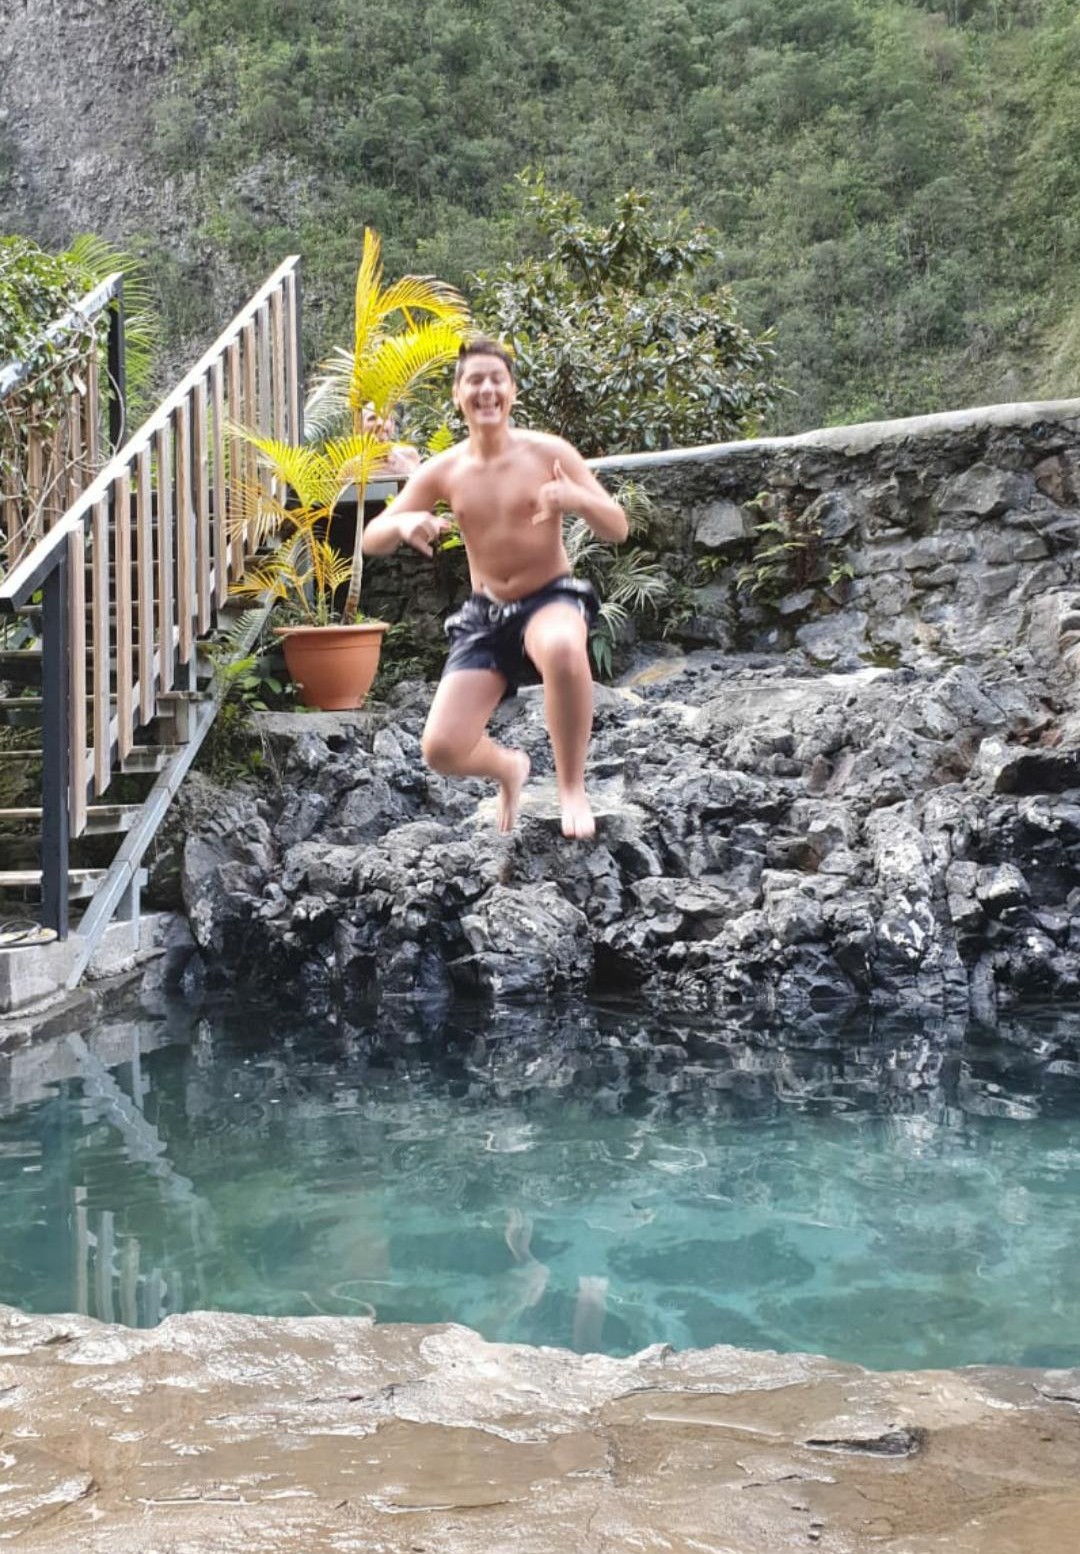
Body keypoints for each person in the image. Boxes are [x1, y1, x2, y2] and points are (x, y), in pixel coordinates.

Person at [361, 338, 628, 839]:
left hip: (549, 598)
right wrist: (401, 523)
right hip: (487, 612)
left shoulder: (549, 452)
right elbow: (370, 539)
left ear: (512, 390)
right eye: (474, 381)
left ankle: (572, 787)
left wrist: (576, 498)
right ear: (458, 395)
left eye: (496, 379)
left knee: (564, 648)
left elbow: (617, 526)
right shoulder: (444, 469)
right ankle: (508, 768)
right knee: (441, 749)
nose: (486, 389)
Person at [360, 403, 421, 477]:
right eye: (372, 418)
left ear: (392, 425)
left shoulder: (409, 456)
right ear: (360, 428)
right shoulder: (353, 467)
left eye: (385, 417)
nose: (380, 423)